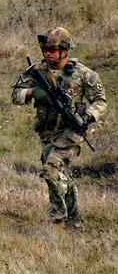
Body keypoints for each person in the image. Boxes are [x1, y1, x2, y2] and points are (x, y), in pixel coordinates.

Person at [12, 27, 107, 228]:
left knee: (51, 169)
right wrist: (33, 92)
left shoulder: (83, 74)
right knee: (62, 176)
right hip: (47, 132)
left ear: (65, 50)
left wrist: (89, 115)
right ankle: (75, 220)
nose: (48, 53)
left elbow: (100, 100)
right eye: (46, 49)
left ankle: (57, 219)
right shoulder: (37, 71)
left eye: (53, 50)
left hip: (71, 132)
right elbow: (16, 95)